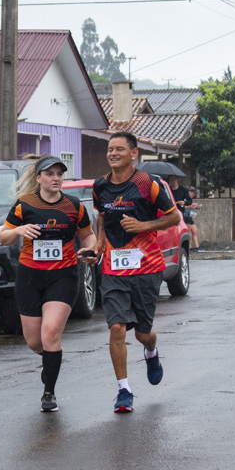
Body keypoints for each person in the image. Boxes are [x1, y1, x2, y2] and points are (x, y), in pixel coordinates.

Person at [91, 132, 180, 413]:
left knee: (143, 334)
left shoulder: (147, 184)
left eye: (119, 149)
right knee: (116, 328)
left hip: (147, 267)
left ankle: (151, 351)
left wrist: (142, 226)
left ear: (134, 154)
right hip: (114, 268)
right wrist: (98, 245)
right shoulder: (100, 187)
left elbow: (174, 217)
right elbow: (102, 219)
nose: (113, 153)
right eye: (110, 149)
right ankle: (124, 390)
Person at [0, 155, 96, 413]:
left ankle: (49, 392)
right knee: (34, 341)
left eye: (59, 174)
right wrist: (19, 231)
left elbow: (88, 236)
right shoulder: (24, 205)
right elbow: (4, 237)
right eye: (50, 174)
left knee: (51, 332)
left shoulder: (74, 206)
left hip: (63, 275)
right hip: (30, 276)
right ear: (39, 177)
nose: (56, 178)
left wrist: (90, 251)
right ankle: (51, 362)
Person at [168, 175, 202, 252]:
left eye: (174, 179)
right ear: (169, 181)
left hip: (181, 213)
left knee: (183, 230)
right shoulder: (168, 190)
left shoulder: (183, 190)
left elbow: (189, 201)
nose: (173, 181)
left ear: (177, 180)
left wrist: (184, 202)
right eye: (171, 180)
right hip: (170, 212)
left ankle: (187, 247)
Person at [185, 187, 203, 252]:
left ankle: (197, 246)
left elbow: (190, 209)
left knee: (195, 231)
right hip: (185, 217)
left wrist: (195, 207)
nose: (193, 194)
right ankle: (189, 247)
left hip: (189, 216)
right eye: (192, 192)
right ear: (189, 192)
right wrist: (191, 206)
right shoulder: (185, 199)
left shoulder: (190, 200)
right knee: (188, 232)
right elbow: (183, 207)